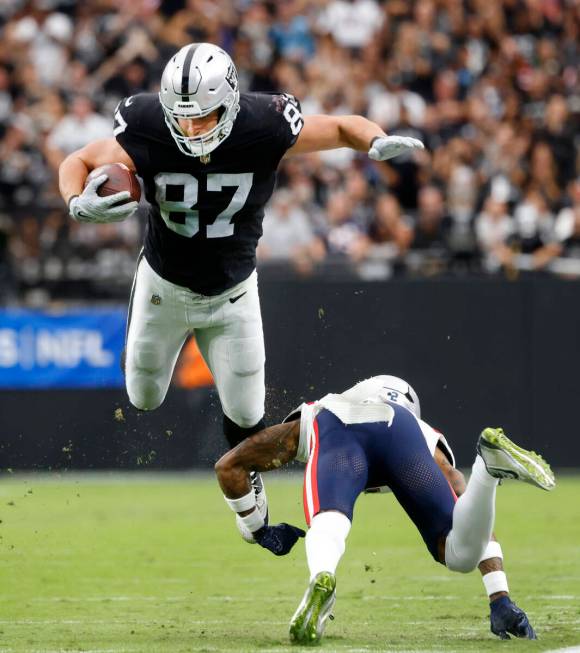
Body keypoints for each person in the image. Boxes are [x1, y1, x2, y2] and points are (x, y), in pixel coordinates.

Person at [57, 43, 423, 526]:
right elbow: (77, 161)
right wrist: (75, 201)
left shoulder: (264, 123)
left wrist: (374, 141)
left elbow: (338, 126)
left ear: (229, 103)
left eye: (203, 118)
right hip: (163, 285)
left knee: (249, 415)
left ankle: (245, 491)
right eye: (181, 119)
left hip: (233, 292)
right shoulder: (145, 122)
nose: (191, 129)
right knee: (143, 397)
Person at [214, 375, 555, 645]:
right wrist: (499, 596)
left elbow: (229, 467)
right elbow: (461, 498)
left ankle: (323, 577)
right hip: (400, 434)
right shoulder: (418, 426)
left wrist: (260, 530)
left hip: (337, 426)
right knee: (459, 552)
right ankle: (487, 470)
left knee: (329, 520)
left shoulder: (322, 408)